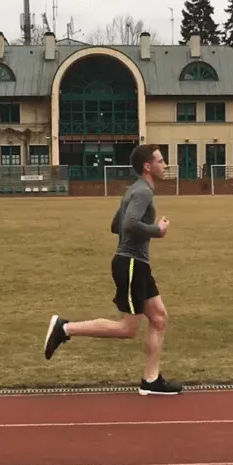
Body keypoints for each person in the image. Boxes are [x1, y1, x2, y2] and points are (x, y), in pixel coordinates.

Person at [43, 144, 182, 396]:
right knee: (127, 329)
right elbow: (128, 224)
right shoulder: (143, 193)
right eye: (160, 161)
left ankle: (151, 380)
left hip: (134, 263)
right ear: (147, 166)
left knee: (159, 319)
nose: (165, 165)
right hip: (130, 264)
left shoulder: (134, 190)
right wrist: (156, 230)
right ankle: (65, 328)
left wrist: (142, 234)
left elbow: (116, 224)